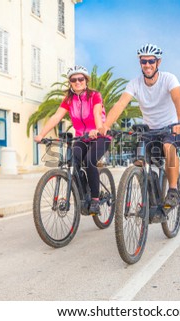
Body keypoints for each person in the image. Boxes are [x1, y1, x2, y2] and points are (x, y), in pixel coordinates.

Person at [99, 43, 180, 208]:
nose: (147, 65)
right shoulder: (135, 84)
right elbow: (120, 105)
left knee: (168, 147)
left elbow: (178, 101)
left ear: (157, 63)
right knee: (139, 159)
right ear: (140, 63)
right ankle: (148, 194)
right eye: (143, 61)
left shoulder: (169, 79)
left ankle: (173, 190)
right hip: (150, 129)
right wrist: (105, 125)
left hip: (170, 127)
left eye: (151, 61)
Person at [34, 65, 110, 214]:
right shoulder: (69, 99)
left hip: (100, 136)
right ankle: (84, 193)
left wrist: (98, 128)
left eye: (80, 79)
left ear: (86, 80)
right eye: (73, 80)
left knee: (89, 161)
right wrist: (42, 134)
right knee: (72, 161)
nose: (77, 82)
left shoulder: (95, 95)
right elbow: (56, 116)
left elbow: (96, 113)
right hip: (82, 137)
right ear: (70, 82)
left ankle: (95, 198)